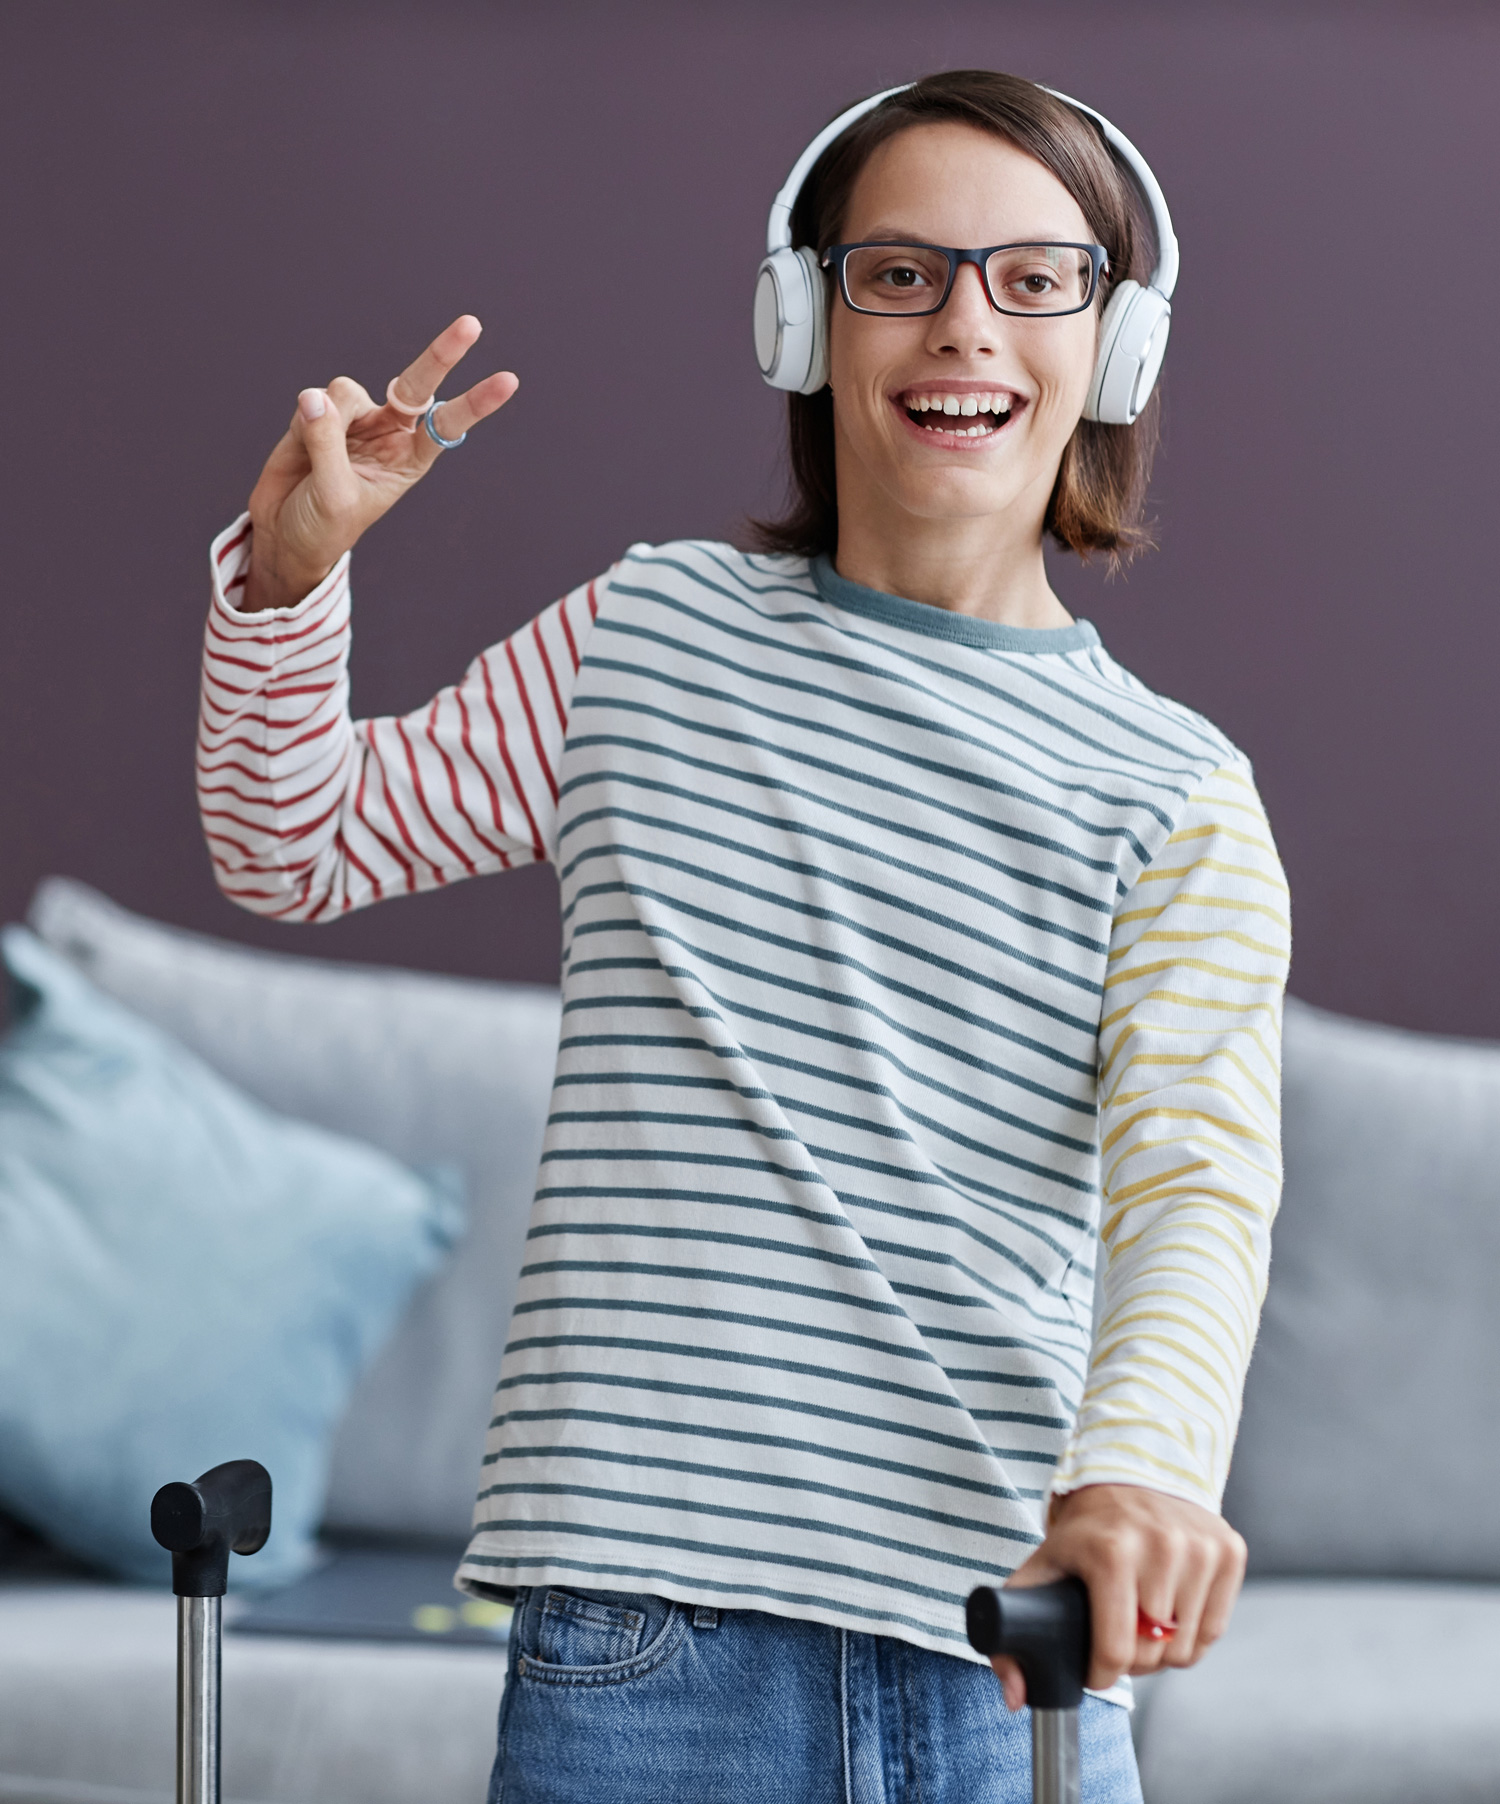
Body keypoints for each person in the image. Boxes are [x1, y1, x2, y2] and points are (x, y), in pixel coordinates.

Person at [197, 70, 1288, 1804]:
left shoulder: (1180, 796)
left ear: (1118, 345)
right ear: (805, 318)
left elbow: (1194, 1186)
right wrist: (285, 580)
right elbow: (296, 844)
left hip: (1002, 1656)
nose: (964, 325)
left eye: (1033, 278)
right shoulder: (649, 634)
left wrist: (1145, 1469)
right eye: (900, 272)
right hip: (644, 1624)